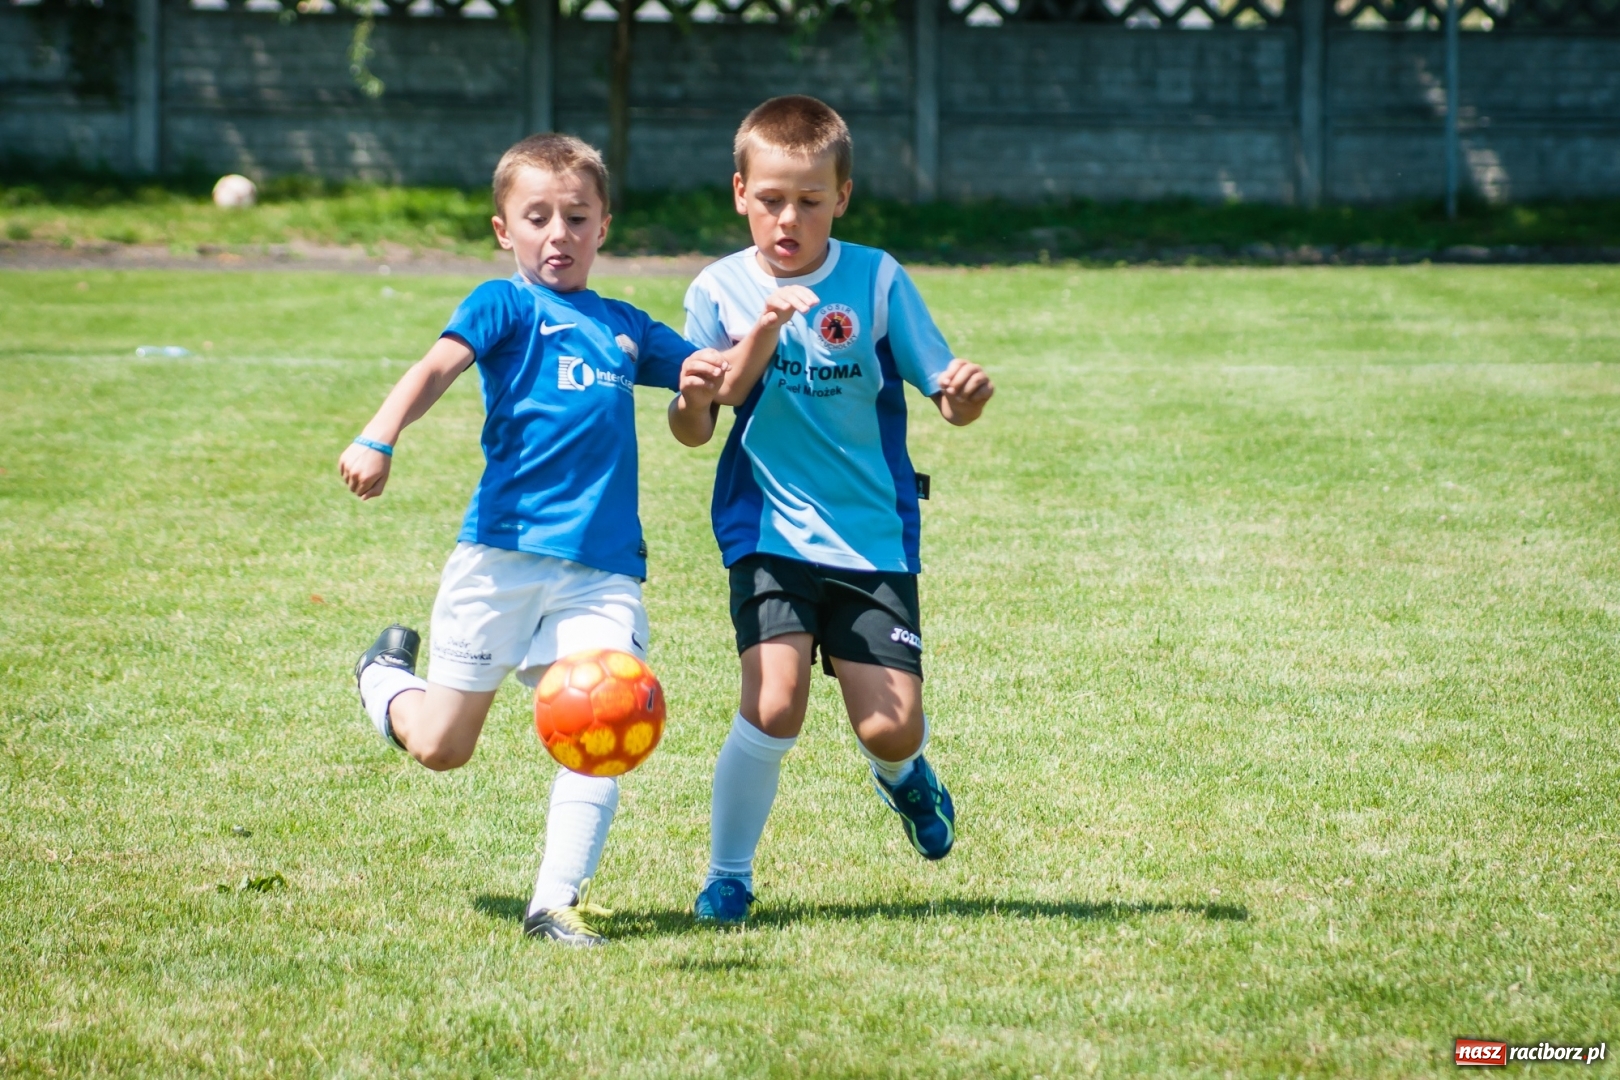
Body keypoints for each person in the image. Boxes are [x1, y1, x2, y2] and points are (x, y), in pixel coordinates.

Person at [339, 133, 785, 945]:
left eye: (576, 217)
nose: (558, 234)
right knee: (442, 748)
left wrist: (762, 332)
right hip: (500, 560)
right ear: (503, 230)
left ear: (604, 225)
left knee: (606, 718)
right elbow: (436, 368)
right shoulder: (502, 305)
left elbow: (717, 379)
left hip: (602, 571)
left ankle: (553, 902)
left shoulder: (625, 326)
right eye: (537, 217)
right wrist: (379, 436)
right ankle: (381, 680)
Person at [669, 96, 996, 925]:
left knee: (888, 726)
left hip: (870, 531)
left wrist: (963, 396)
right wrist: (705, 384)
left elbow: (944, 396)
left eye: (811, 201)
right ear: (740, 191)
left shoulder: (878, 278)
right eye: (772, 199)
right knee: (773, 704)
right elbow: (695, 426)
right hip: (766, 527)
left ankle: (906, 777)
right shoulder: (717, 289)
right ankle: (728, 876)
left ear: (842, 198)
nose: (789, 218)